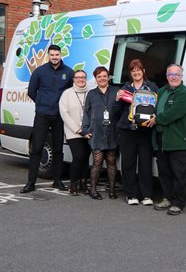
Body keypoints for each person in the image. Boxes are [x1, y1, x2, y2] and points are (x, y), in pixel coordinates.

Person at [21, 44, 74, 193]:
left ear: (60, 55)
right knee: (37, 148)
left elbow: (70, 93)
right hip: (42, 115)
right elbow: (31, 91)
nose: (54, 57)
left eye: (57, 55)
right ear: (48, 55)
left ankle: (57, 181)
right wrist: (41, 103)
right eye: (52, 55)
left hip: (59, 115)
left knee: (58, 149)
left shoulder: (69, 73)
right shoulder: (39, 71)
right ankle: (31, 182)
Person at [149, 64, 186, 216]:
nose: (173, 77)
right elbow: (152, 109)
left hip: (178, 140)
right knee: (164, 172)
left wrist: (156, 119)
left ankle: (178, 203)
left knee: (178, 173)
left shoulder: (183, 94)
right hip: (161, 139)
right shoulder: (161, 91)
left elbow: (172, 114)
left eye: (177, 75)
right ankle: (167, 198)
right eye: (170, 74)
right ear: (167, 76)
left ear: (181, 77)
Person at [115, 59, 158, 206]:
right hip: (127, 131)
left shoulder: (152, 87)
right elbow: (117, 111)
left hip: (145, 131)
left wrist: (155, 117)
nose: (136, 72)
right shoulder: (125, 88)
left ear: (143, 71)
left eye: (138, 70)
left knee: (146, 164)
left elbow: (157, 107)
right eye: (133, 70)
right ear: (130, 73)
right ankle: (131, 194)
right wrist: (117, 99)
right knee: (128, 163)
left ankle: (146, 195)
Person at [81, 66, 120, 200]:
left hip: (112, 132)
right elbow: (86, 113)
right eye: (99, 77)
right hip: (96, 132)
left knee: (111, 162)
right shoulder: (91, 94)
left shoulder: (116, 91)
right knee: (97, 162)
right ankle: (93, 189)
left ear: (108, 77)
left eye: (104, 76)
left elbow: (121, 110)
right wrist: (85, 130)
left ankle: (112, 190)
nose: (102, 78)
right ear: (96, 79)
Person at [59, 69, 91, 195]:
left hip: (88, 132)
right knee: (78, 156)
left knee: (86, 158)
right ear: (73, 79)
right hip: (74, 132)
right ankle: (73, 184)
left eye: (83, 77)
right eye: (77, 77)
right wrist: (78, 130)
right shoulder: (67, 94)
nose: (80, 79)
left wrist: (88, 130)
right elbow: (64, 114)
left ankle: (83, 183)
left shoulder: (91, 93)